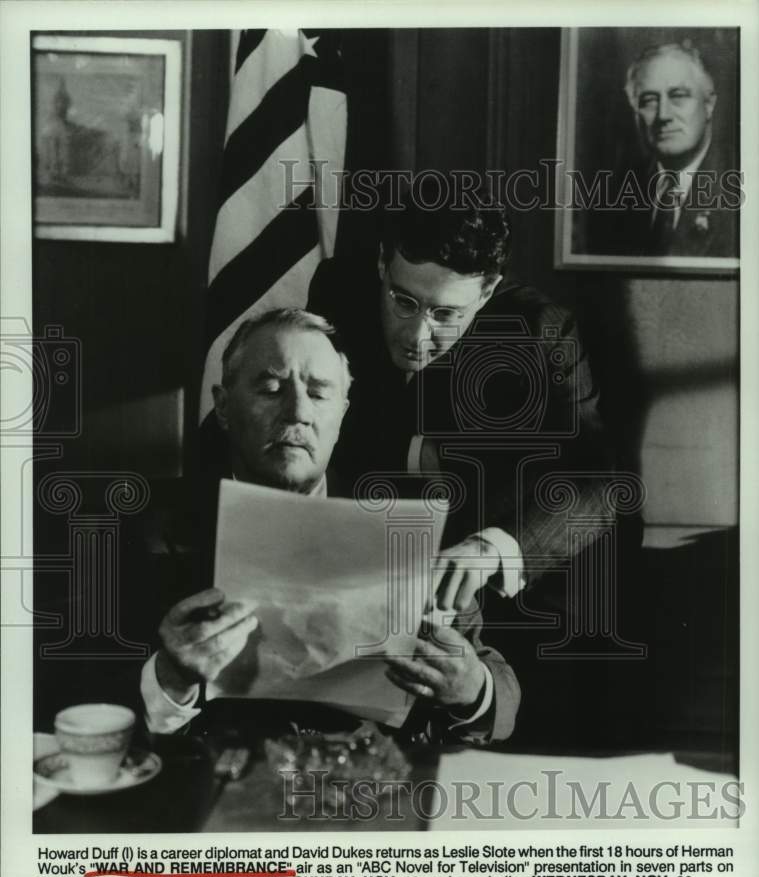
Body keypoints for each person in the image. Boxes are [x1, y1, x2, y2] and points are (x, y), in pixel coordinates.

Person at [141, 308, 520, 746]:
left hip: (374, 788)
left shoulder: (407, 522)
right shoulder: (158, 530)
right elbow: (85, 701)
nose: (297, 412)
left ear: (342, 414)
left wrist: (472, 689)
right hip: (216, 784)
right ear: (224, 407)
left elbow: (501, 693)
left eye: (319, 395)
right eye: (270, 389)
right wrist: (171, 676)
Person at [306, 178, 615, 623]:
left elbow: (597, 478)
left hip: (506, 589)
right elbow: (322, 429)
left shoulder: (542, 330)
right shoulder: (339, 290)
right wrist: (438, 455)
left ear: (486, 292)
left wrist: (494, 546)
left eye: (446, 314)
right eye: (403, 301)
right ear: (381, 262)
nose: (417, 336)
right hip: (365, 557)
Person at [606, 41, 739, 257]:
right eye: (649, 100)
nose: (663, 115)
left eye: (678, 96)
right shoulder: (616, 193)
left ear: (709, 104)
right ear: (635, 112)